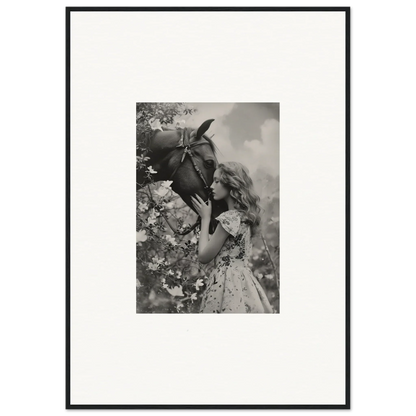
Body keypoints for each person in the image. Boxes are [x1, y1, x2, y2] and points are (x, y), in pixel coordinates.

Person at [191, 161, 274, 313]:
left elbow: (203, 257)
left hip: (225, 283)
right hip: (244, 282)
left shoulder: (229, 219)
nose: (211, 186)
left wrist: (205, 218)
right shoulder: (245, 217)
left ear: (231, 184)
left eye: (217, 181)